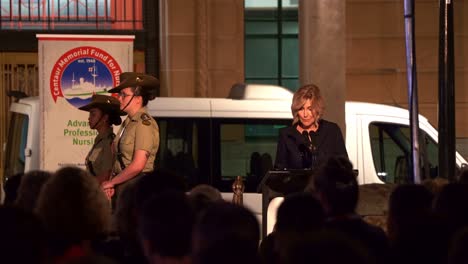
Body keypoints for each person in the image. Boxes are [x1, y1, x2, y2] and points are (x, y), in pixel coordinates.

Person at [101, 72, 160, 200]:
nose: (119, 98)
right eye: (119, 94)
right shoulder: (128, 123)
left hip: (137, 189)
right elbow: (118, 161)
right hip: (125, 187)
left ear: (138, 99)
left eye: (124, 95)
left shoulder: (144, 123)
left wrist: (112, 182)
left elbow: (138, 165)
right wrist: (112, 183)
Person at [274, 84, 347, 170]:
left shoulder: (332, 131)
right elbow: (279, 172)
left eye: (310, 109)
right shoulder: (286, 135)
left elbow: (344, 167)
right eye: (301, 109)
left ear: (317, 109)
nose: (305, 114)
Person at [79, 94, 125, 184]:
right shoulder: (100, 141)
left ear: (104, 118)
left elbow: (107, 175)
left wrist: (86, 187)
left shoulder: (109, 142)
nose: (89, 118)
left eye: (93, 114)